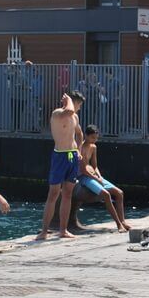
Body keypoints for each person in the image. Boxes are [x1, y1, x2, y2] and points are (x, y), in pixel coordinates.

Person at [37, 91, 85, 240]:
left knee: (68, 194)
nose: (79, 108)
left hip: (71, 156)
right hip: (59, 156)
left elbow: (80, 134)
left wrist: (79, 150)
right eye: (79, 104)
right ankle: (44, 231)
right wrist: (69, 101)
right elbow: (69, 110)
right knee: (53, 194)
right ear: (72, 102)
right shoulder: (57, 113)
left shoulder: (74, 117)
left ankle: (63, 230)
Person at [78, 124, 130, 232]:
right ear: (86, 136)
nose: (94, 140)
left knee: (119, 193)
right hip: (84, 177)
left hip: (94, 176)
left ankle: (123, 221)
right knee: (106, 195)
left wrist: (99, 176)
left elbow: (95, 166)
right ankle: (118, 224)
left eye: (96, 138)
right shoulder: (80, 148)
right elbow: (83, 170)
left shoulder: (93, 147)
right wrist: (96, 179)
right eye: (92, 138)